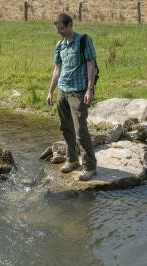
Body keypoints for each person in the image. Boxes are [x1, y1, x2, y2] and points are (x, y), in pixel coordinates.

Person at [46, 13, 97, 181]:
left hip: (79, 91)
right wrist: (50, 91)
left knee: (80, 130)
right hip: (63, 90)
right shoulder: (60, 45)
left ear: (69, 25)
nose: (58, 31)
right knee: (65, 127)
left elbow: (91, 66)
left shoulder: (84, 41)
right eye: (57, 28)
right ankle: (72, 160)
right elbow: (57, 69)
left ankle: (89, 167)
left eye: (61, 28)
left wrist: (90, 89)